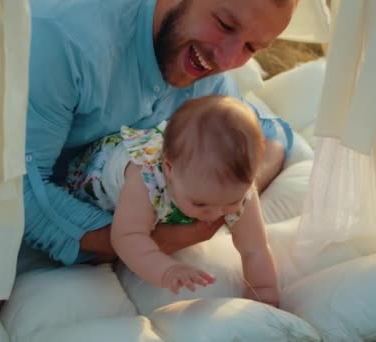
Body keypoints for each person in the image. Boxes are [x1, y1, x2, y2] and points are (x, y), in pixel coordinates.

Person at [0, 0, 296, 282]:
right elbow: (24, 196)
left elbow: (270, 137)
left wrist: (227, 193)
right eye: (224, 24)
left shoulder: (206, 83)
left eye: (252, 48)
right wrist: (153, 240)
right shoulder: (72, 36)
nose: (227, 57)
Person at [66, 95, 279, 306]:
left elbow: (255, 248)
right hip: (94, 178)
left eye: (230, 203)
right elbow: (127, 236)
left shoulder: (235, 187)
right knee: (98, 249)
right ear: (169, 170)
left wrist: (264, 290)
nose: (215, 215)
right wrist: (166, 269)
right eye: (200, 204)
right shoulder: (145, 179)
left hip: (176, 173)